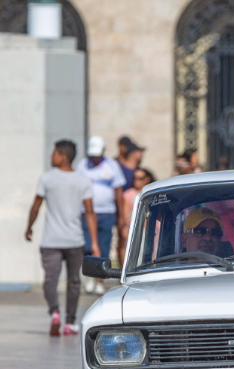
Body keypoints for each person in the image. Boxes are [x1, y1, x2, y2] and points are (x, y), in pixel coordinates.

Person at [25, 139, 97, 335]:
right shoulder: (83, 180)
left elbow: (36, 205)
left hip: (51, 241)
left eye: (54, 153)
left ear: (62, 156)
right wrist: (95, 242)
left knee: (50, 280)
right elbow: (90, 213)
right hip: (75, 241)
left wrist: (29, 227)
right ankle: (70, 323)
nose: (51, 156)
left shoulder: (46, 179)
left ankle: (55, 313)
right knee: (74, 281)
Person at [75, 135, 126, 295]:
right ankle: (89, 275)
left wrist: (121, 214)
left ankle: (100, 280)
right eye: (93, 155)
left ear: (103, 151)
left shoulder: (112, 166)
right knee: (89, 246)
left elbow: (118, 191)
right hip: (86, 212)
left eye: (97, 155)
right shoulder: (82, 165)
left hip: (107, 212)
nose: (95, 158)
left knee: (103, 246)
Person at [118, 167, 154, 266]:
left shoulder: (150, 192)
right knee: (130, 251)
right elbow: (125, 213)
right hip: (132, 227)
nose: (137, 181)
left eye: (140, 178)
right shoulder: (128, 194)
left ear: (147, 179)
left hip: (149, 228)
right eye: (135, 178)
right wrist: (125, 227)